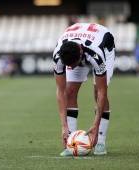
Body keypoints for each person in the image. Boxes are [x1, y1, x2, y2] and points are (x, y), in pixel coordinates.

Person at [53, 23, 116, 156]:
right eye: (69, 65)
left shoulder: (95, 54)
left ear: (80, 54)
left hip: (104, 46)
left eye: (74, 65)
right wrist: (64, 125)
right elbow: (61, 90)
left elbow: (102, 92)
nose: (73, 68)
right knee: (70, 92)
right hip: (79, 41)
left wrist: (95, 124)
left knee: (96, 93)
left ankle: (101, 142)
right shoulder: (58, 55)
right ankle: (71, 142)